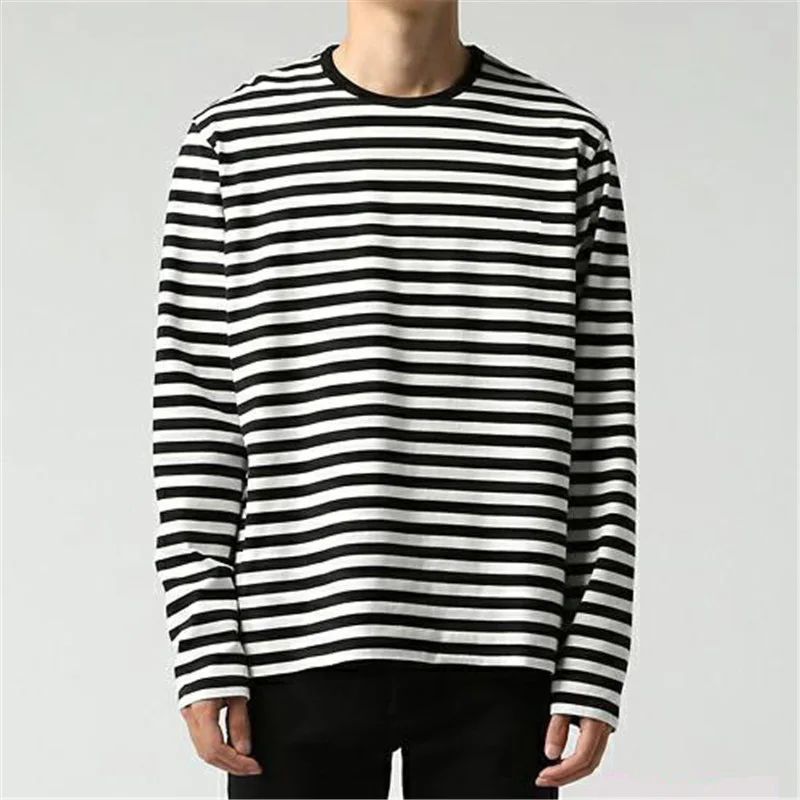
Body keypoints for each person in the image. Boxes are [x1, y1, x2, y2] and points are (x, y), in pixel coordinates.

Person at [151, 1, 637, 797]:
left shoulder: (563, 144)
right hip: (295, 637)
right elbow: (196, 412)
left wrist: (594, 652)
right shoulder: (234, 142)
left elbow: (601, 421)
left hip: (507, 643)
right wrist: (204, 641)